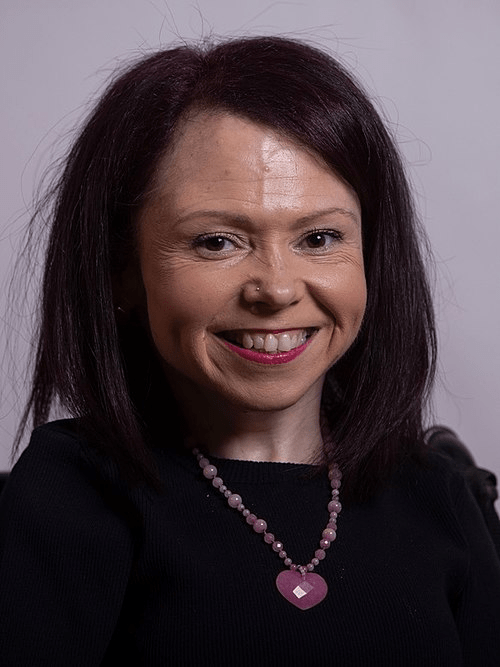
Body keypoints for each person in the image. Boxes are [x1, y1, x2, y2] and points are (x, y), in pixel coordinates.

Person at [1, 35, 499, 666]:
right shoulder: (72, 494)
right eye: (216, 242)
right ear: (122, 270)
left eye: (319, 238)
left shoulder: (441, 495)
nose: (278, 289)